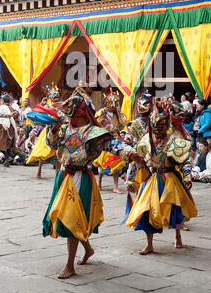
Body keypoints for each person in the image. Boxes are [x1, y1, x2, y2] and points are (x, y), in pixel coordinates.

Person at [42, 86, 144, 279]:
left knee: (72, 219)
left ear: (81, 112)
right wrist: (53, 130)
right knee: (69, 218)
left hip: (81, 177)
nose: (68, 115)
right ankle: (87, 249)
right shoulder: (64, 127)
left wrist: (130, 153)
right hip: (63, 176)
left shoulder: (94, 132)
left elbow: (114, 144)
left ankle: (70, 265)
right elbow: (52, 144)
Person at [126, 99, 198, 254]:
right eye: (156, 127)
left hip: (171, 178)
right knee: (146, 210)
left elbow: (184, 161)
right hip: (153, 178)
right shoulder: (146, 140)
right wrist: (131, 178)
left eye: (162, 126)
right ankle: (149, 244)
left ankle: (178, 237)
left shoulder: (174, 140)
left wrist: (187, 177)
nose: (158, 130)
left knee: (175, 209)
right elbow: (137, 160)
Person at [94, 88, 128, 194]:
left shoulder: (117, 114)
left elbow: (123, 123)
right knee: (102, 164)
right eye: (113, 103)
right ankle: (99, 181)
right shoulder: (102, 113)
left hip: (115, 140)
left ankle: (115, 186)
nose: (114, 105)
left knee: (116, 163)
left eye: (116, 103)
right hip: (104, 139)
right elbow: (98, 123)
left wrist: (119, 112)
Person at [26, 84, 63, 178]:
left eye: (57, 95)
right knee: (42, 152)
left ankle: (58, 174)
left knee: (59, 153)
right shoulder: (47, 105)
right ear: (50, 96)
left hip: (60, 130)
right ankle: (39, 170)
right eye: (54, 95)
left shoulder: (61, 106)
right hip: (48, 130)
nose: (56, 97)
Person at [0, 94, 18, 167]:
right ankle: (7, 160)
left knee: (0, 144)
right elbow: (16, 115)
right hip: (11, 127)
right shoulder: (12, 108)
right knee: (8, 145)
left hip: (4, 128)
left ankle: (8, 157)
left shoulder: (2, 107)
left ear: (2, 101)